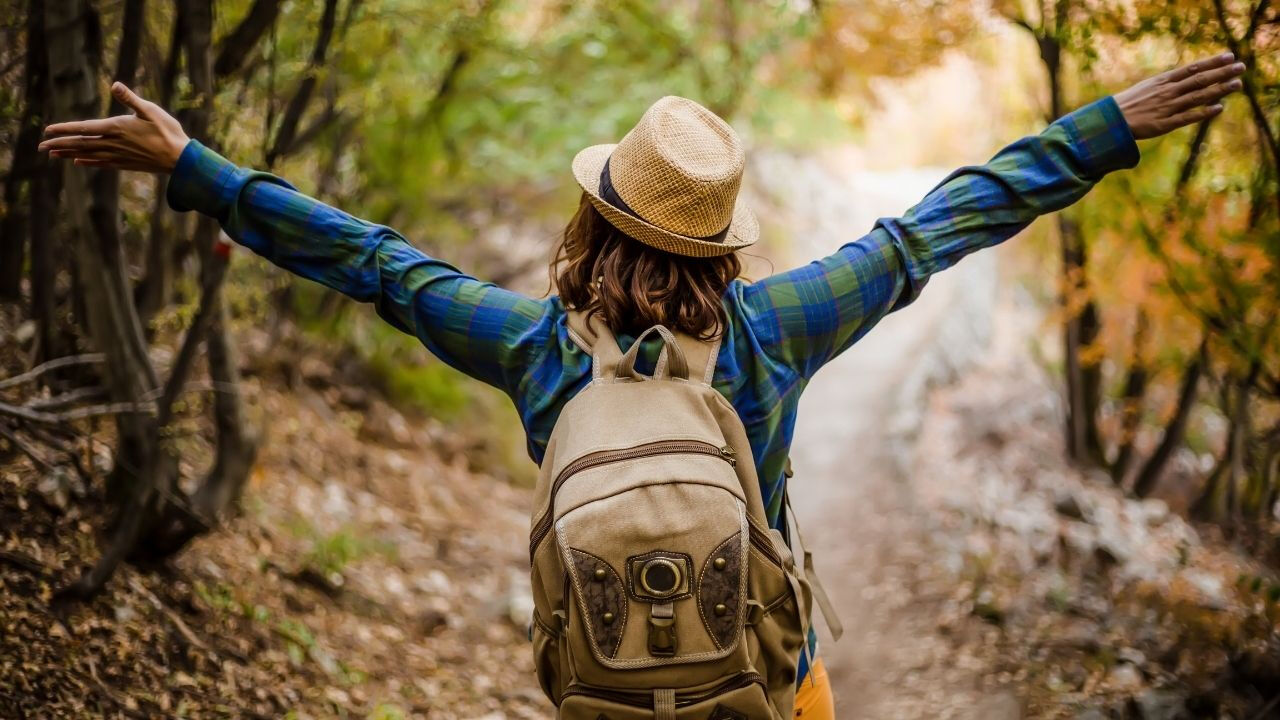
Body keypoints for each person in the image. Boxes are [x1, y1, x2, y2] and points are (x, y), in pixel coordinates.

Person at [41, 52, 1244, 717]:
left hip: (608, 684)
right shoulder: (776, 326)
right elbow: (937, 225)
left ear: (594, 211)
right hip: (769, 681)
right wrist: (1103, 125)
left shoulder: (535, 347)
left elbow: (372, 262)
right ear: (722, 242)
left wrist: (195, 167)